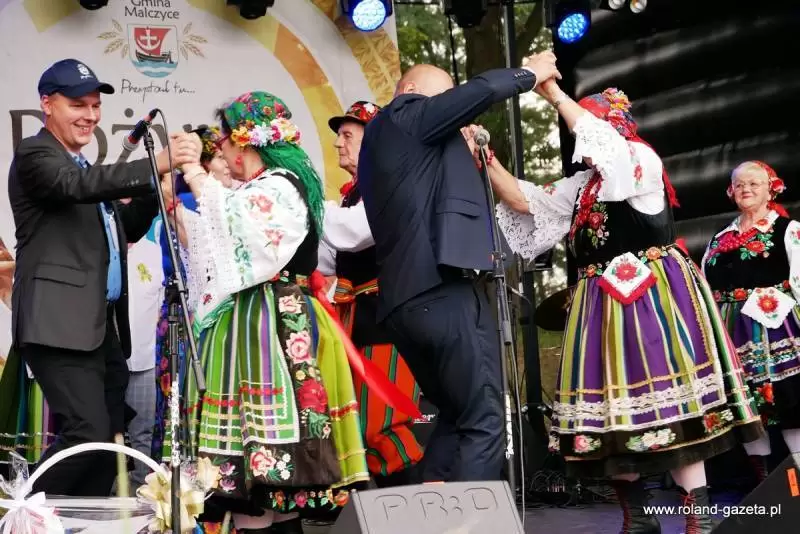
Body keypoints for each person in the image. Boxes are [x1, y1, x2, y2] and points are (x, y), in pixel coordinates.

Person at [484, 80, 764, 533]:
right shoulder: (583, 185)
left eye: (585, 127)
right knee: (611, 412)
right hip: (601, 307)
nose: (578, 138)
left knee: (672, 407)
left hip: (653, 299)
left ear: (610, 128)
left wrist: (552, 91)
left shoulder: (638, 159)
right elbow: (524, 200)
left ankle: (698, 516)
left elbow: (609, 152)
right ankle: (638, 519)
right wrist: (486, 157)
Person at [170, 91, 373, 533]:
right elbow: (219, 240)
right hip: (256, 326)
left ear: (245, 142)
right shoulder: (261, 187)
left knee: (271, 472)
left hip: (272, 328)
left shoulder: (280, 185)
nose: (222, 151)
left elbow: (242, 229)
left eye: (225, 140)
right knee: (261, 486)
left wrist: (194, 172)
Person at [356, 54, 561, 482]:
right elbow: (480, 91)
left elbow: (428, 194)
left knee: (455, 415)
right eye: (442, 99)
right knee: (485, 419)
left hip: (405, 301)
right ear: (411, 91)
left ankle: (429, 511)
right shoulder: (406, 114)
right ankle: (473, 517)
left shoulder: (392, 145)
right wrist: (530, 75)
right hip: (443, 293)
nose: (449, 110)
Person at [7, 58, 198, 496]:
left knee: (111, 441)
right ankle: (19, 508)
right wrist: (157, 162)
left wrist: (159, 189)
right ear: (47, 104)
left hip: (99, 328)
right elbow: (76, 187)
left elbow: (123, 230)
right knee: (88, 434)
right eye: (78, 104)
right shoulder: (37, 155)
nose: (90, 115)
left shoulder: (81, 166)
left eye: (95, 106)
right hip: (58, 324)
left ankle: (79, 519)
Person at [319, 101, 423, 487]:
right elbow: (330, 257)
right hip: (357, 318)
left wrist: (302, 200)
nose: (338, 144)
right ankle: (383, 506)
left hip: (385, 315)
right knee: (361, 421)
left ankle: (414, 504)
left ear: (375, 142)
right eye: (338, 136)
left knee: (383, 420)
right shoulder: (353, 195)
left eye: (348, 135)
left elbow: (355, 233)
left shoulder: (388, 185)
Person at [701, 161, 800, 483]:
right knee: (747, 408)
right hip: (732, 331)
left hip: (777, 328)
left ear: (772, 189)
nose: (746, 189)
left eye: (754, 183)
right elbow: (705, 285)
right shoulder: (720, 238)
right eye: (739, 184)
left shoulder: (788, 230)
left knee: (790, 403)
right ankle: (764, 486)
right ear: (731, 191)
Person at [151, 126, 232, 461]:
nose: (228, 164)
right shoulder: (188, 204)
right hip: (188, 313)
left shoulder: (216, 201)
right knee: (185, 391)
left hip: (192, 309)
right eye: (220, 158)